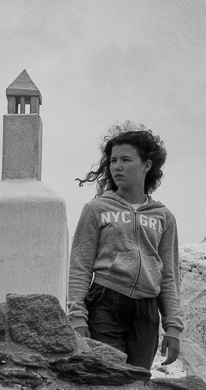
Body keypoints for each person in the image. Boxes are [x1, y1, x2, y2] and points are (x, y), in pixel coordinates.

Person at [68, 125, 182, 369]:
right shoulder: (96, 209)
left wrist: (173, 327)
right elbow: (80, 266)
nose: (117, 166)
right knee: (108, 375)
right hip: (106, 302)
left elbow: (169, 275)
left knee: (138, 380)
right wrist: (77, 317)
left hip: (147, 309)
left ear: (146, 166)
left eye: (125, 160)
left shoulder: (164, 217)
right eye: (113, 160)